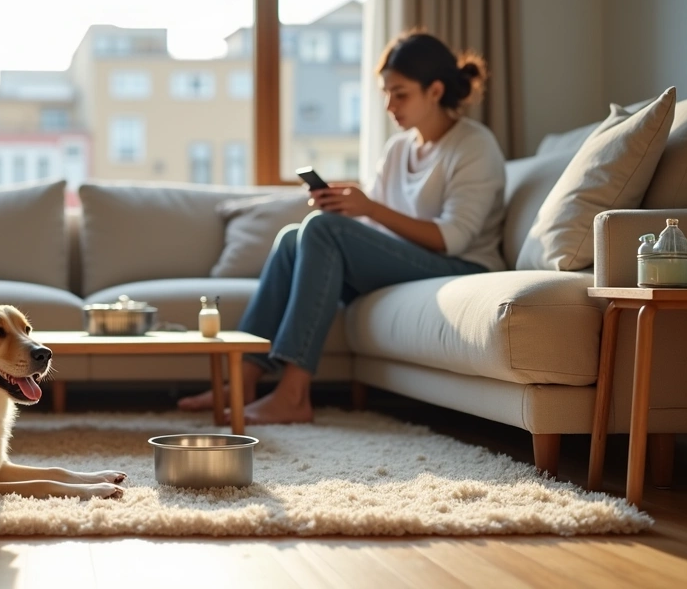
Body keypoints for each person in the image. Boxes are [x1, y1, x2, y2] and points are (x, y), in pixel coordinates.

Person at [177, 30, 507, 425]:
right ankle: (243, 379)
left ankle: (294, 395)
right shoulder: (398, 149)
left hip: (463, 265)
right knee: (292, 240)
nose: (389, 105)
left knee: (319, 229)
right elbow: (376, 228)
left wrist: (367, 208)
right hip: (412, 262)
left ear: (435, 91)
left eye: (400, 94)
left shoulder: (474, 145)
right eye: (386, 93)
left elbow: (453, 237)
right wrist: (352, 209)